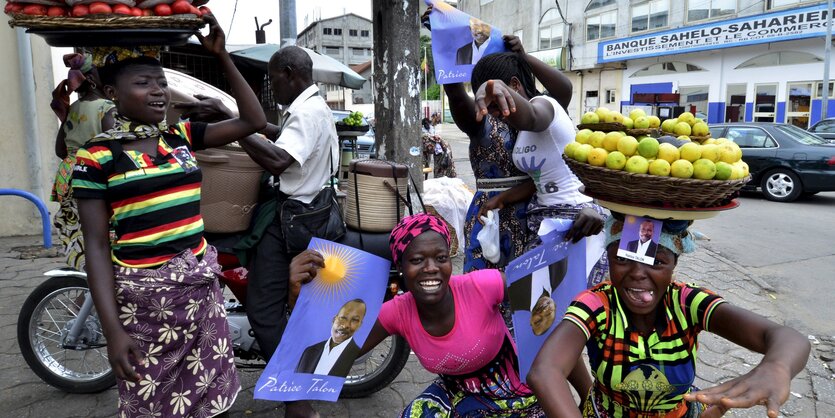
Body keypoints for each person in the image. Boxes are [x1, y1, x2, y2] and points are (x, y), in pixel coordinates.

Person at [72, 15, 267, 418]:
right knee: (153, 404)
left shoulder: (179, 136)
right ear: (112, 91)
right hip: (145, 303)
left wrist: (223, 56)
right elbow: (95, 246)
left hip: (199, 294)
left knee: (215, 402)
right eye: (143, 83)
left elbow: (254, 121)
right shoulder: (96, 156)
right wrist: (112, 332)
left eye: (161, 82)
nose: (158, 91)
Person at [289, 213, 592, 417]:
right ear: (401, 268)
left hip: (520, 395)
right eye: (417, 259)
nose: (431, 268)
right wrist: (298, 296)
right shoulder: (397, 312)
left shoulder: (480, 285)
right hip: (458, 394)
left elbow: (551, 291)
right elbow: (327, 356)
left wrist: (580, 233)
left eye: (441, 258)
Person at [176, 44, 339, 418]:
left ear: (288, 74)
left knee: (264, 312)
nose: (272, 87)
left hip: (292, 221)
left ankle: (298, 401)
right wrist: (231, 114)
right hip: (310, 213)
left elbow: (279, 159)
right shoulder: (312, 107)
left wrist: (241, 130)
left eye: (272, 80)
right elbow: (281, 134)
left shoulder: (307, 112)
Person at [527, 215, 811, 418]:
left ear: (675, 264)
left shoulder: (687, 302)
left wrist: (777, 368)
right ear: (608, 259)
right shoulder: (596, 303)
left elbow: (788, 338)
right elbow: (545, 372)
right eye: (623, 259)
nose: (638, 273)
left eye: (657, 262)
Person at [423, 4, 574, 273]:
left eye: (495, 88)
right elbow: (457, 95)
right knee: (484, 291)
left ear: (514, 84)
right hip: (490, 214)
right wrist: (445, 44)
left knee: (527, 293)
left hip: (535, 211)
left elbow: (564, 89)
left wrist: (523, 56)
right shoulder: (483, 116)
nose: (491, 99)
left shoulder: (542, 110)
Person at [471, 52, 607, 287]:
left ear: (514, 85)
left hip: (576, 220)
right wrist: (502, 199)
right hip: (547, 219)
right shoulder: (521, 131)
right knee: (541, 301)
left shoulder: (544, 105)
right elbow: (539, 180)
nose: (493, 113)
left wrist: (495, 85)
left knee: (568, 299)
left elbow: (533, 117)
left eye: (495, 104)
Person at [49, 53, 115, 271]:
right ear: (94, 80)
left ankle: (82, 275)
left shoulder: (73, 109)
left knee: (80, 231)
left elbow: (60, 150)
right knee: (101, 232)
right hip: (91, 173)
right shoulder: (107, 107)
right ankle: (93, 283)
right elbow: (112, 148)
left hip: (67, 175)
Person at [295, 299, 365, 377]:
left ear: (360, 325)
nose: (346, 325)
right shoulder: (309, 351)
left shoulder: (356, 354)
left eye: (354, 320)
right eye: (343, 318)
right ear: (334, 319)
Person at [506, 258, 567, 335]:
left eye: (538, 321)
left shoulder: (514, 297)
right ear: (555, 307)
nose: (544, 311)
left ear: (531, 321)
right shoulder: (561, 272)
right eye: (548, 314)